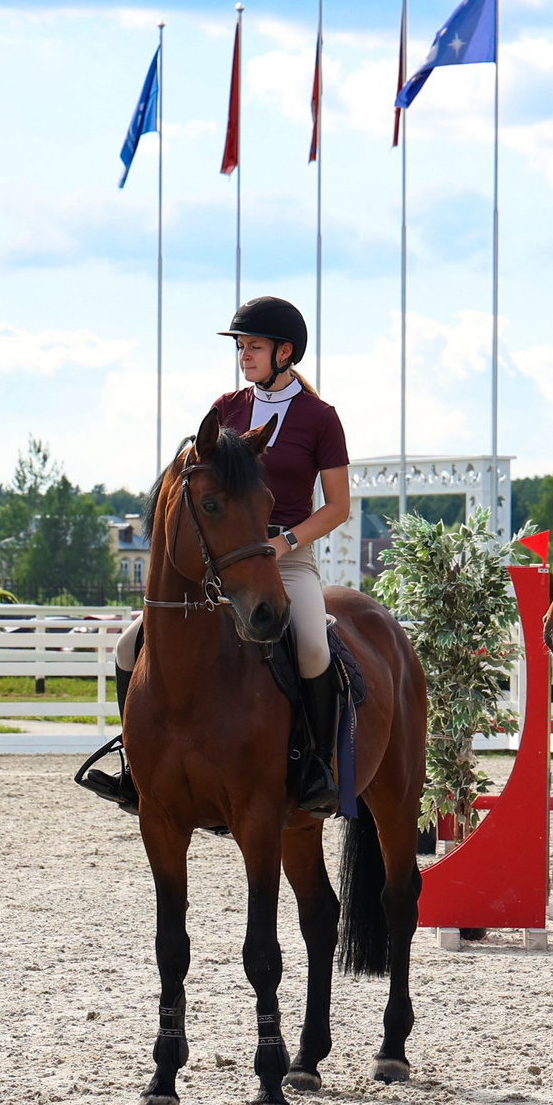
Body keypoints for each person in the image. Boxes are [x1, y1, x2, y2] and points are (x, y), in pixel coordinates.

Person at [88, 296, 352, 813]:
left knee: (314, 649)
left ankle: (317, 766)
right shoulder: (227, 409)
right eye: (241, 347)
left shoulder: (320, 418)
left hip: (286, 555)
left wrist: (284, 543)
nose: (244, 356)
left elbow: (339, 506)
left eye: (253, 346)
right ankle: (132, 763)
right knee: (126, 648)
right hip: (223, 561)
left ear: (285, 352)